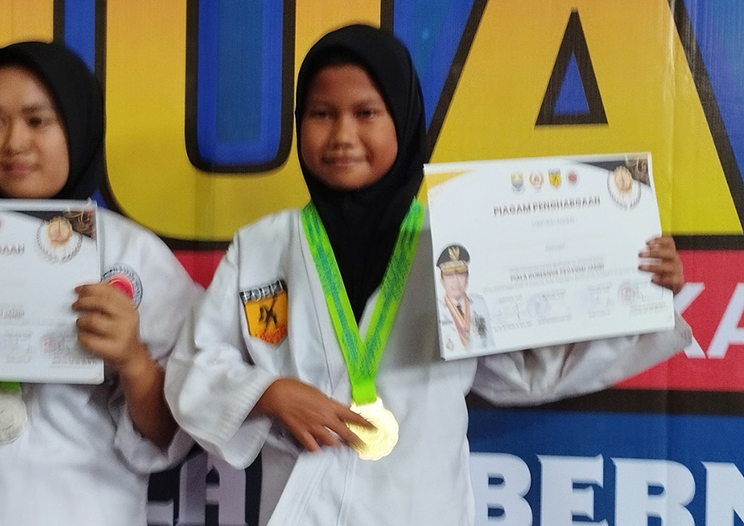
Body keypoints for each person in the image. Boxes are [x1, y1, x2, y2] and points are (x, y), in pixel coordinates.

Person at [165, 24, 691, 526]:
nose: (342, 135)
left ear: (404, 119)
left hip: (420, 507)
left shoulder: (454, 244)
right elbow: (193, 364)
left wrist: (640, 289)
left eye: (366, 113)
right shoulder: (261, 248)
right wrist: (266, 392)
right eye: (322, 113)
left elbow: (528, 367)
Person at [0, 41, 199, 525]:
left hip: (85, 509)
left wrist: (133, 360)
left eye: (37, 121)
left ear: (78, 124)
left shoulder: (135, 257)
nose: (14, 143)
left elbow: (173, 431)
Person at [436, 243, 493, 354]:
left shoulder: (479, 303)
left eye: (460, 274)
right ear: (442, 281)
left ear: (467, 277)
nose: (456, 281)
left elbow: (490, 343)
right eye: (449, 276)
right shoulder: (437, 309)